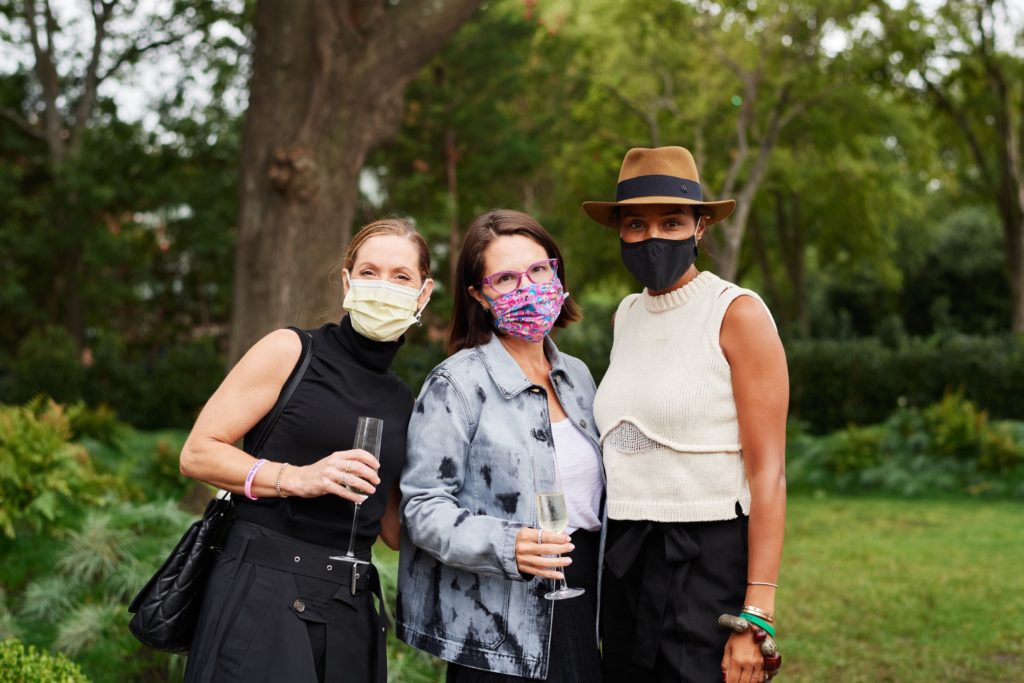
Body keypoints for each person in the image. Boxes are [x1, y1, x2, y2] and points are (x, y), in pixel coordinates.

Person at [178, 218, 434, 683]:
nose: (383, 287)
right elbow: (198, 453)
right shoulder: (291, 351)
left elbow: (394, 530)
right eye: (370, 272)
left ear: (423, 294)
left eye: (401, 276)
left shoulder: (403, 400)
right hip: (262, 591)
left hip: (350, 606)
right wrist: (296, 478)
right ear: (347, 282)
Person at [582, 146, 788, 683]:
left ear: (699, 227)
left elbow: (768, 472)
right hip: (624, 557)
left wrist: (757, 613)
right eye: (636, 224)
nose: (653, 237)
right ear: (619, 231)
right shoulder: (626, 315)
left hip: (706, 562)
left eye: (671, 222)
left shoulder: (736, 312)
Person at [397, 209, 604, 682]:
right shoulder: (456, 384)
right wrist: (509, 545)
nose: (528, 287)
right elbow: (423, 508)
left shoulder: (577, 376)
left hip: (583, 602)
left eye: (538, 270)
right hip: (499, 627)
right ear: (479, 295)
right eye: (506, 279)